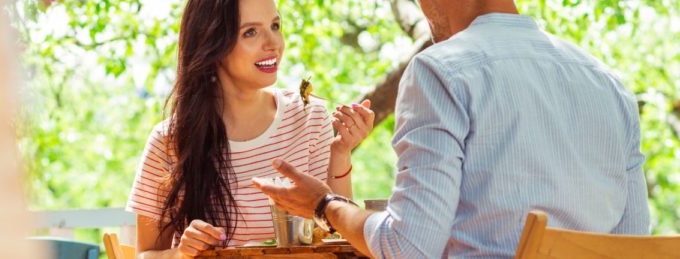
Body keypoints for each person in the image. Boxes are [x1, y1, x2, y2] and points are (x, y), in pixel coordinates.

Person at [253, 0, 650, 258]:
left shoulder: (441, 70)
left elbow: (406, 247)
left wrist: (325, 205)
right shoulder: (610, 86)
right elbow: (634, 246)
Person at [124, 0, 375, 258]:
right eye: (250, 32)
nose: (273, 43)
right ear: (212, 43)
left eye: (275, 25)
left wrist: (341, 154)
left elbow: (338, 239)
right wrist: (180, 253)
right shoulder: (169, 140)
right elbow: (145, 254)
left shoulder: (309, 117)